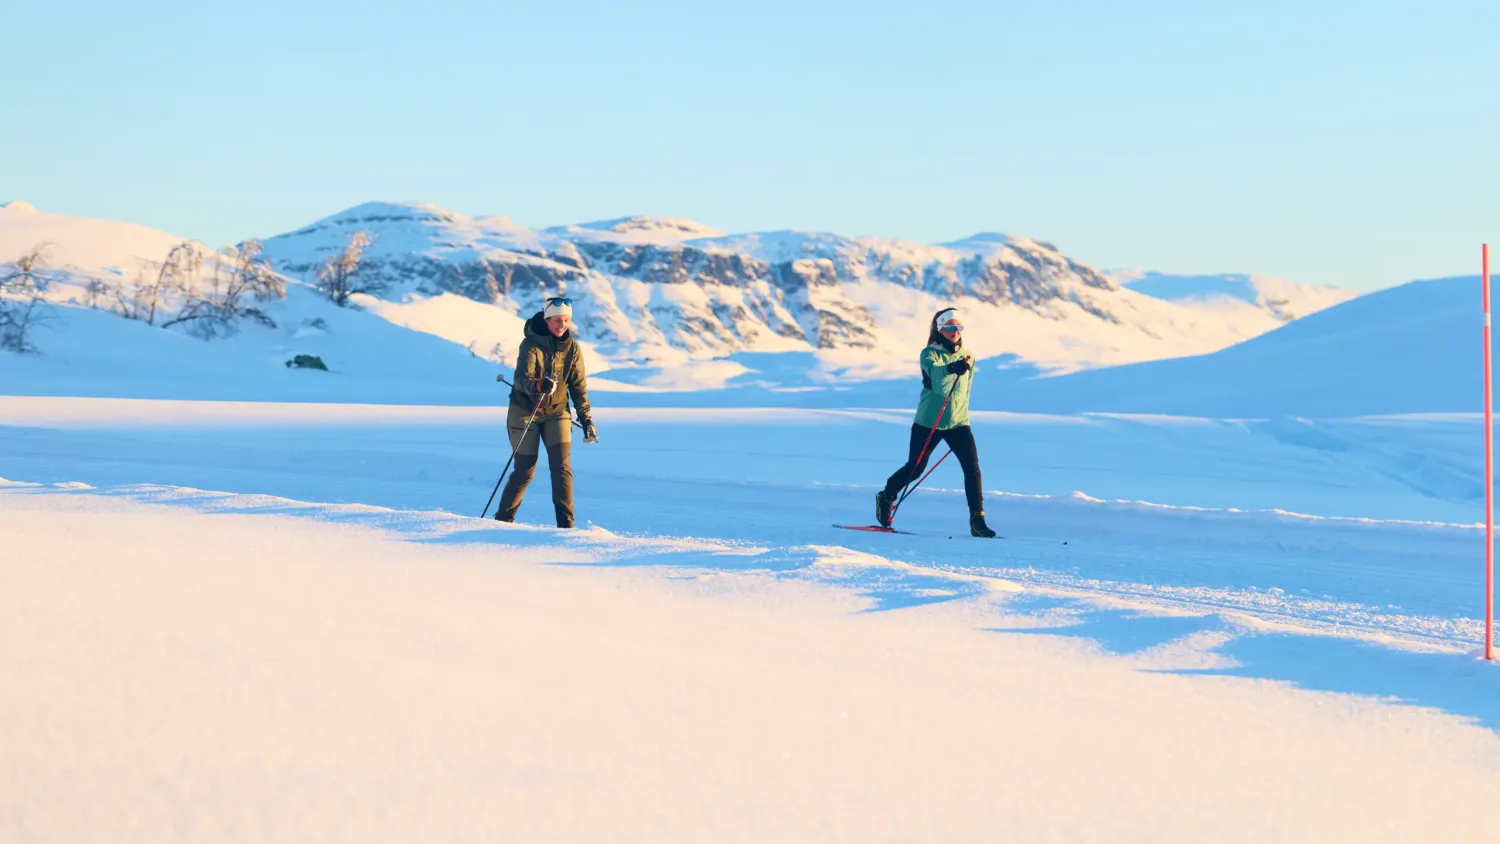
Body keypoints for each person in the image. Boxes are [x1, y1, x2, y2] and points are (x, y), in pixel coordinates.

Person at [875, 307, 996, 538]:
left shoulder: (968, 355)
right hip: (929, 421)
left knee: (972, 469)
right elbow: (938, 383)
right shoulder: (929, 354)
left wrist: (961, 411)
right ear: (940, 329)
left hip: (958, 422)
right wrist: (951, 368)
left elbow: (965, 391)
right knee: (917, 467)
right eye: (950, 327)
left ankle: (977, 521)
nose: (955, 331)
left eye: (958, 327)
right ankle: (887, 494)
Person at [494, 296, 599, 528]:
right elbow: (521, 378)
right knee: (525, 471)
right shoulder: (530, 344)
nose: (562, 325)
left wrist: (587, 419)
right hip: (525, 411)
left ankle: (566, 527)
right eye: (557, 320)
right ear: (546, 319)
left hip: (557, 412)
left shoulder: (572, 348)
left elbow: (578, 387)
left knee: (561, 468)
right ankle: (502, 523)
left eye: (566, 320)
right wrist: (538, 386)